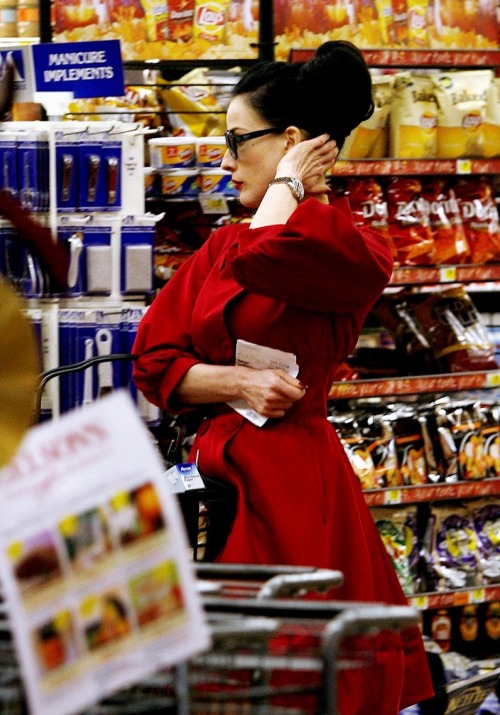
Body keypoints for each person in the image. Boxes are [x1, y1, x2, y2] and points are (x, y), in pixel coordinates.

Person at [132, 40, 434, 713]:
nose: (225, 157)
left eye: (239, 139)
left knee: (290, 679)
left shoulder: (351, 247)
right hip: (211, 480)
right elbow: (153, 361)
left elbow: (263, 255)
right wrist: (234, 384)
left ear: (292, 140)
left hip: (292, 486)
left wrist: (292, 184)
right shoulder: (222, 240)